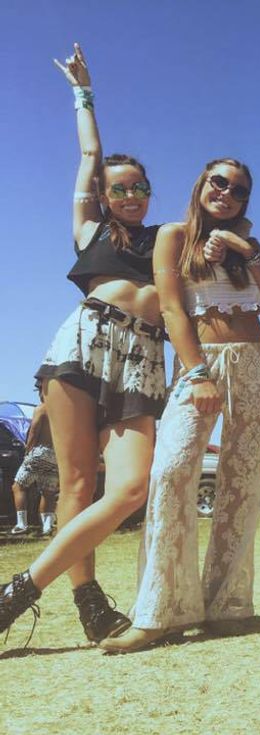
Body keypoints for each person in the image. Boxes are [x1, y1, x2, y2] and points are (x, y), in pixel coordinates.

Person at [1, 44, 166, 644]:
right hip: (84, 345)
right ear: (103, 195)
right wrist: (83, 93)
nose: (132, 195)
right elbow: (91, 153)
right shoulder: (91, 229)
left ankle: (19, 590)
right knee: (75, 483)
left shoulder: (167, 240)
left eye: (141, 187)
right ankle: (90, 604)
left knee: (129, 488)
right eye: (120, 189)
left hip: (144, 359)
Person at [100, 159, 260, 652]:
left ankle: (229, 604)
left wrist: (245, 249)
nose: (227, 193)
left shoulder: (247, 245)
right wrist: (198, 372)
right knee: (171, 471)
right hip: (200, 362)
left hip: (253, 362)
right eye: (218, 183)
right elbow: (171, 309)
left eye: (239, 190)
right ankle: (160, 610)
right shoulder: (174, 236)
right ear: (201, 185)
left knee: (244, 480)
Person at [9, 401, 59, 538]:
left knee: (18, 486)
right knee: (48, 492)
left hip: (39, 452)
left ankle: (21, 525)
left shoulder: (42, 408)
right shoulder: (61, 407)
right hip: (55, 454)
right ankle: (47, 526)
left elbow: (34, 430)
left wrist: (28, 450)